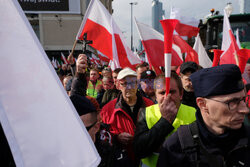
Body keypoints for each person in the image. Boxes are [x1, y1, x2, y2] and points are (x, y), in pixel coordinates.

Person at [157, 64, 250, 167]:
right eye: (233, 102)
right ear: (203, 104)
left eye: (243, 100)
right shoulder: (176, 147)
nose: (244, 109)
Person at [133, 71, 196, 167]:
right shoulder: (146, 113)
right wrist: (165, 121)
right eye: (162, 92)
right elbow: (139, 150)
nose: (167, 96)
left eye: (172, 91)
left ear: (181, 94)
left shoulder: (193, 113)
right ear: (156, 96)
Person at [101, 68, 154, 166]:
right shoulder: (107, 110)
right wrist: (117, 137)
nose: (129, 87)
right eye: (124, 84)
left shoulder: (150, 105)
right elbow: (103, 137)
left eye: (132, 83)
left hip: (147, 159)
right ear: (117, 85)